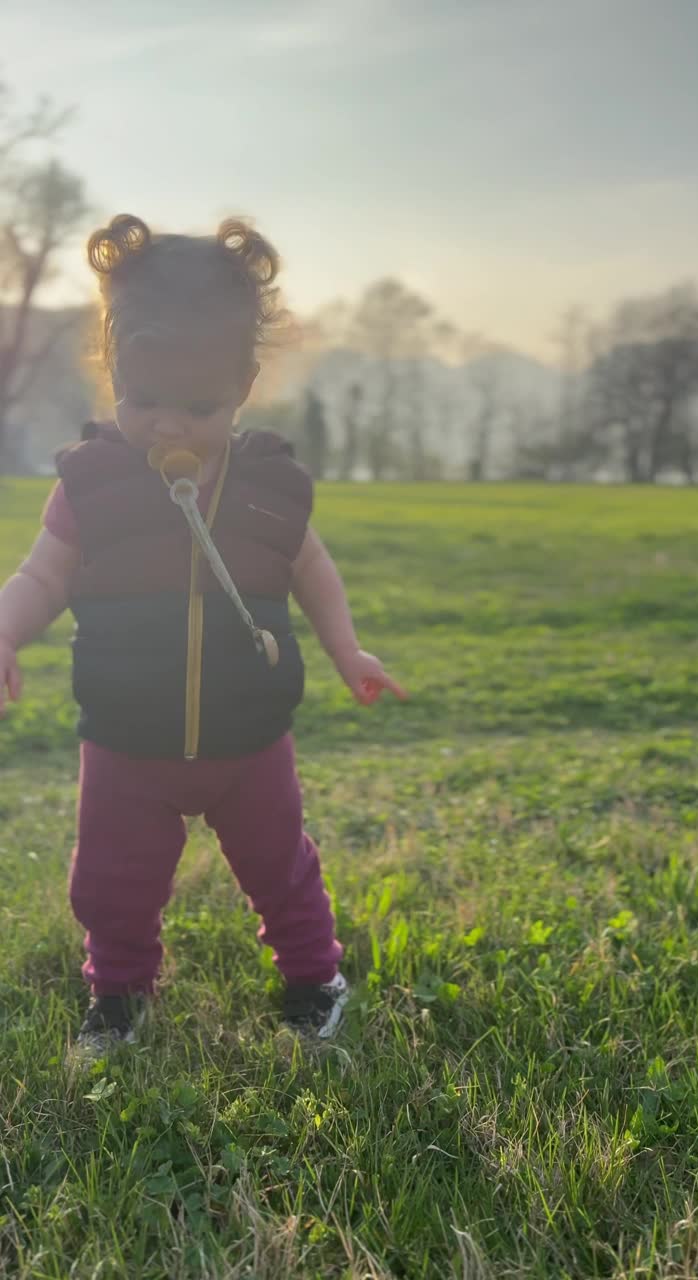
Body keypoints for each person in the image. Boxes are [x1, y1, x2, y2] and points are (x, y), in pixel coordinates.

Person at [0, 214, 405, 1054]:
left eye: (199, 405)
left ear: (245, 386)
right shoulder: (95, 482)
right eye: (143, 401)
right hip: (124, 739)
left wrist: (346, 648)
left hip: (248, 738)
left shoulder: (268, 486)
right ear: (112, 374)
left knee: (279, 867)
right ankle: (117, 996)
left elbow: (311, 569)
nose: (169, 426)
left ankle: (311, 979)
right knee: (111, 880)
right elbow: (44, 574)